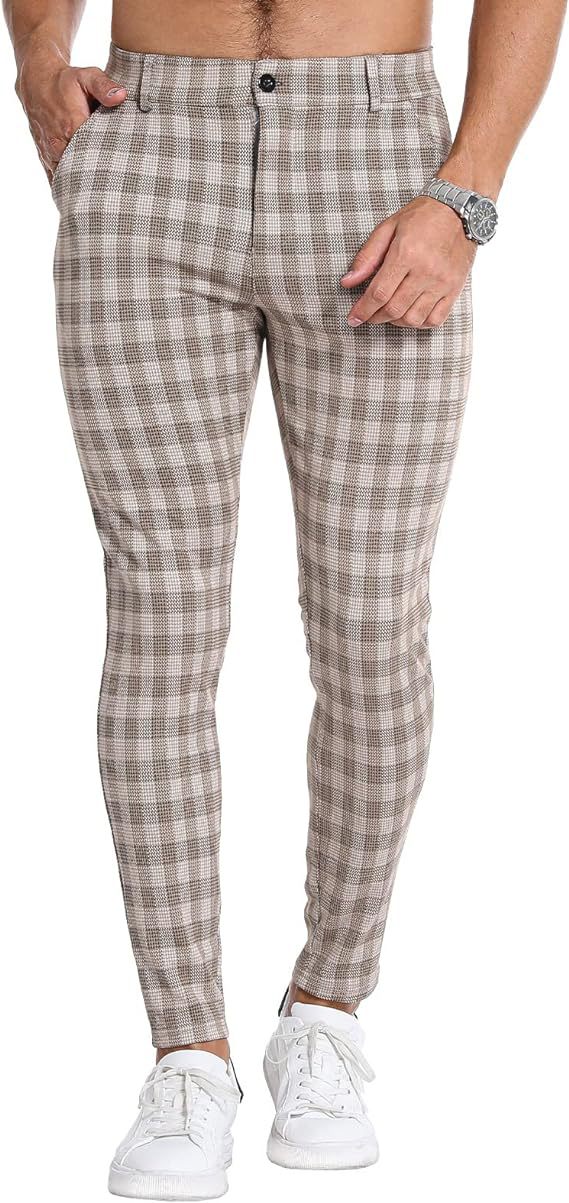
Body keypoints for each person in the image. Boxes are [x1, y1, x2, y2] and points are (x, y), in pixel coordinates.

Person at [4, 0, 566, 1197]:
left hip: (377, 162)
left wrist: (465, 191)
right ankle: (186, 1056)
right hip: (151, 142)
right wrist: (40, 58)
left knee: (370, 620)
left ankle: (325, 1013)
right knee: (160, 623)